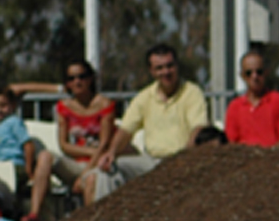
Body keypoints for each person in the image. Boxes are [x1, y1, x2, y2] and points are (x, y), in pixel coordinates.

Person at [80, 44, 207, 203]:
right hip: (150, 161)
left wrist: (187, 157)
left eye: (169, 66)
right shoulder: (144, 97)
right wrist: (111, 153)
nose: (166, 72)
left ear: (177, 66)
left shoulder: (192, 93)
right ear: (152, 71)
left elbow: (198, 128)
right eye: (159, 68)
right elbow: (126, 130)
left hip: (181, 161)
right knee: (107, 172)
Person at [0, 88, 53, 221]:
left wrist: (29, 168)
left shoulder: (14, 122)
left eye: (3, 106)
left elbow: (27, 145)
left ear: (13, 105)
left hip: (14, 165)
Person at [223, 51, 279, 146]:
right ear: (243, 76)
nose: (254, 76)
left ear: (266, 73)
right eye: (249, 73)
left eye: (259, 72)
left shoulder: (278, 100)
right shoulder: (235, 106)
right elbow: (231, 141)